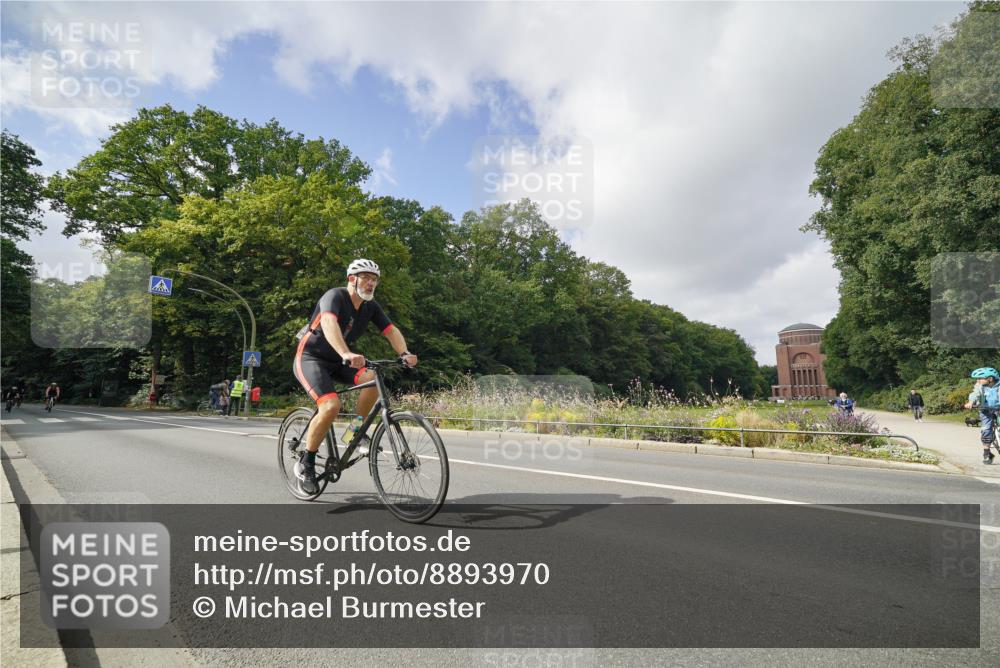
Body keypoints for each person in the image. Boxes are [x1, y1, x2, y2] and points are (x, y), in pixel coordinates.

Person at [292, 258, 417, 494]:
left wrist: (404, 353)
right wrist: (346, 352)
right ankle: (307, 462)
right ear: (352, 279)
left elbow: (391, 330)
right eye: (366, 278)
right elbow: (329, 323)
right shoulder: (334, 296)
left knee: (372, 378)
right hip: (310, 358)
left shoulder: (371, 307)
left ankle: (354, 434)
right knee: (330, 406)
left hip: (339, 360)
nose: (371, 284)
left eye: (374, 280)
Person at [963, 367, 999, 465]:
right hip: (985, 410)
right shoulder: (979, 386)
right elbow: (975, 394)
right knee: (986, 430)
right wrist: (971, 402)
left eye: (980, 378)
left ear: (990, 379)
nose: (977, 381)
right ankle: (987, 454)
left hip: (998, 409)